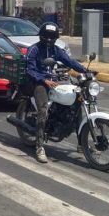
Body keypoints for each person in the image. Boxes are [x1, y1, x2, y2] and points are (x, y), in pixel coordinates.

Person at [26, 22, 88, 163]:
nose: (48, 40)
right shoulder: (33, 50)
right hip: (38, 83)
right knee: (43, 111)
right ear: (41, 36)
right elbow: (30, 70)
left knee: (77, 104)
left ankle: (81, 143)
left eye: (51, 38)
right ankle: (39, 146)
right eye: (46, 37)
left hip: (55, 81)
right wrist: (44, 80)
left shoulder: (56, 50)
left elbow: (70, 61)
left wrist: (86, 70)